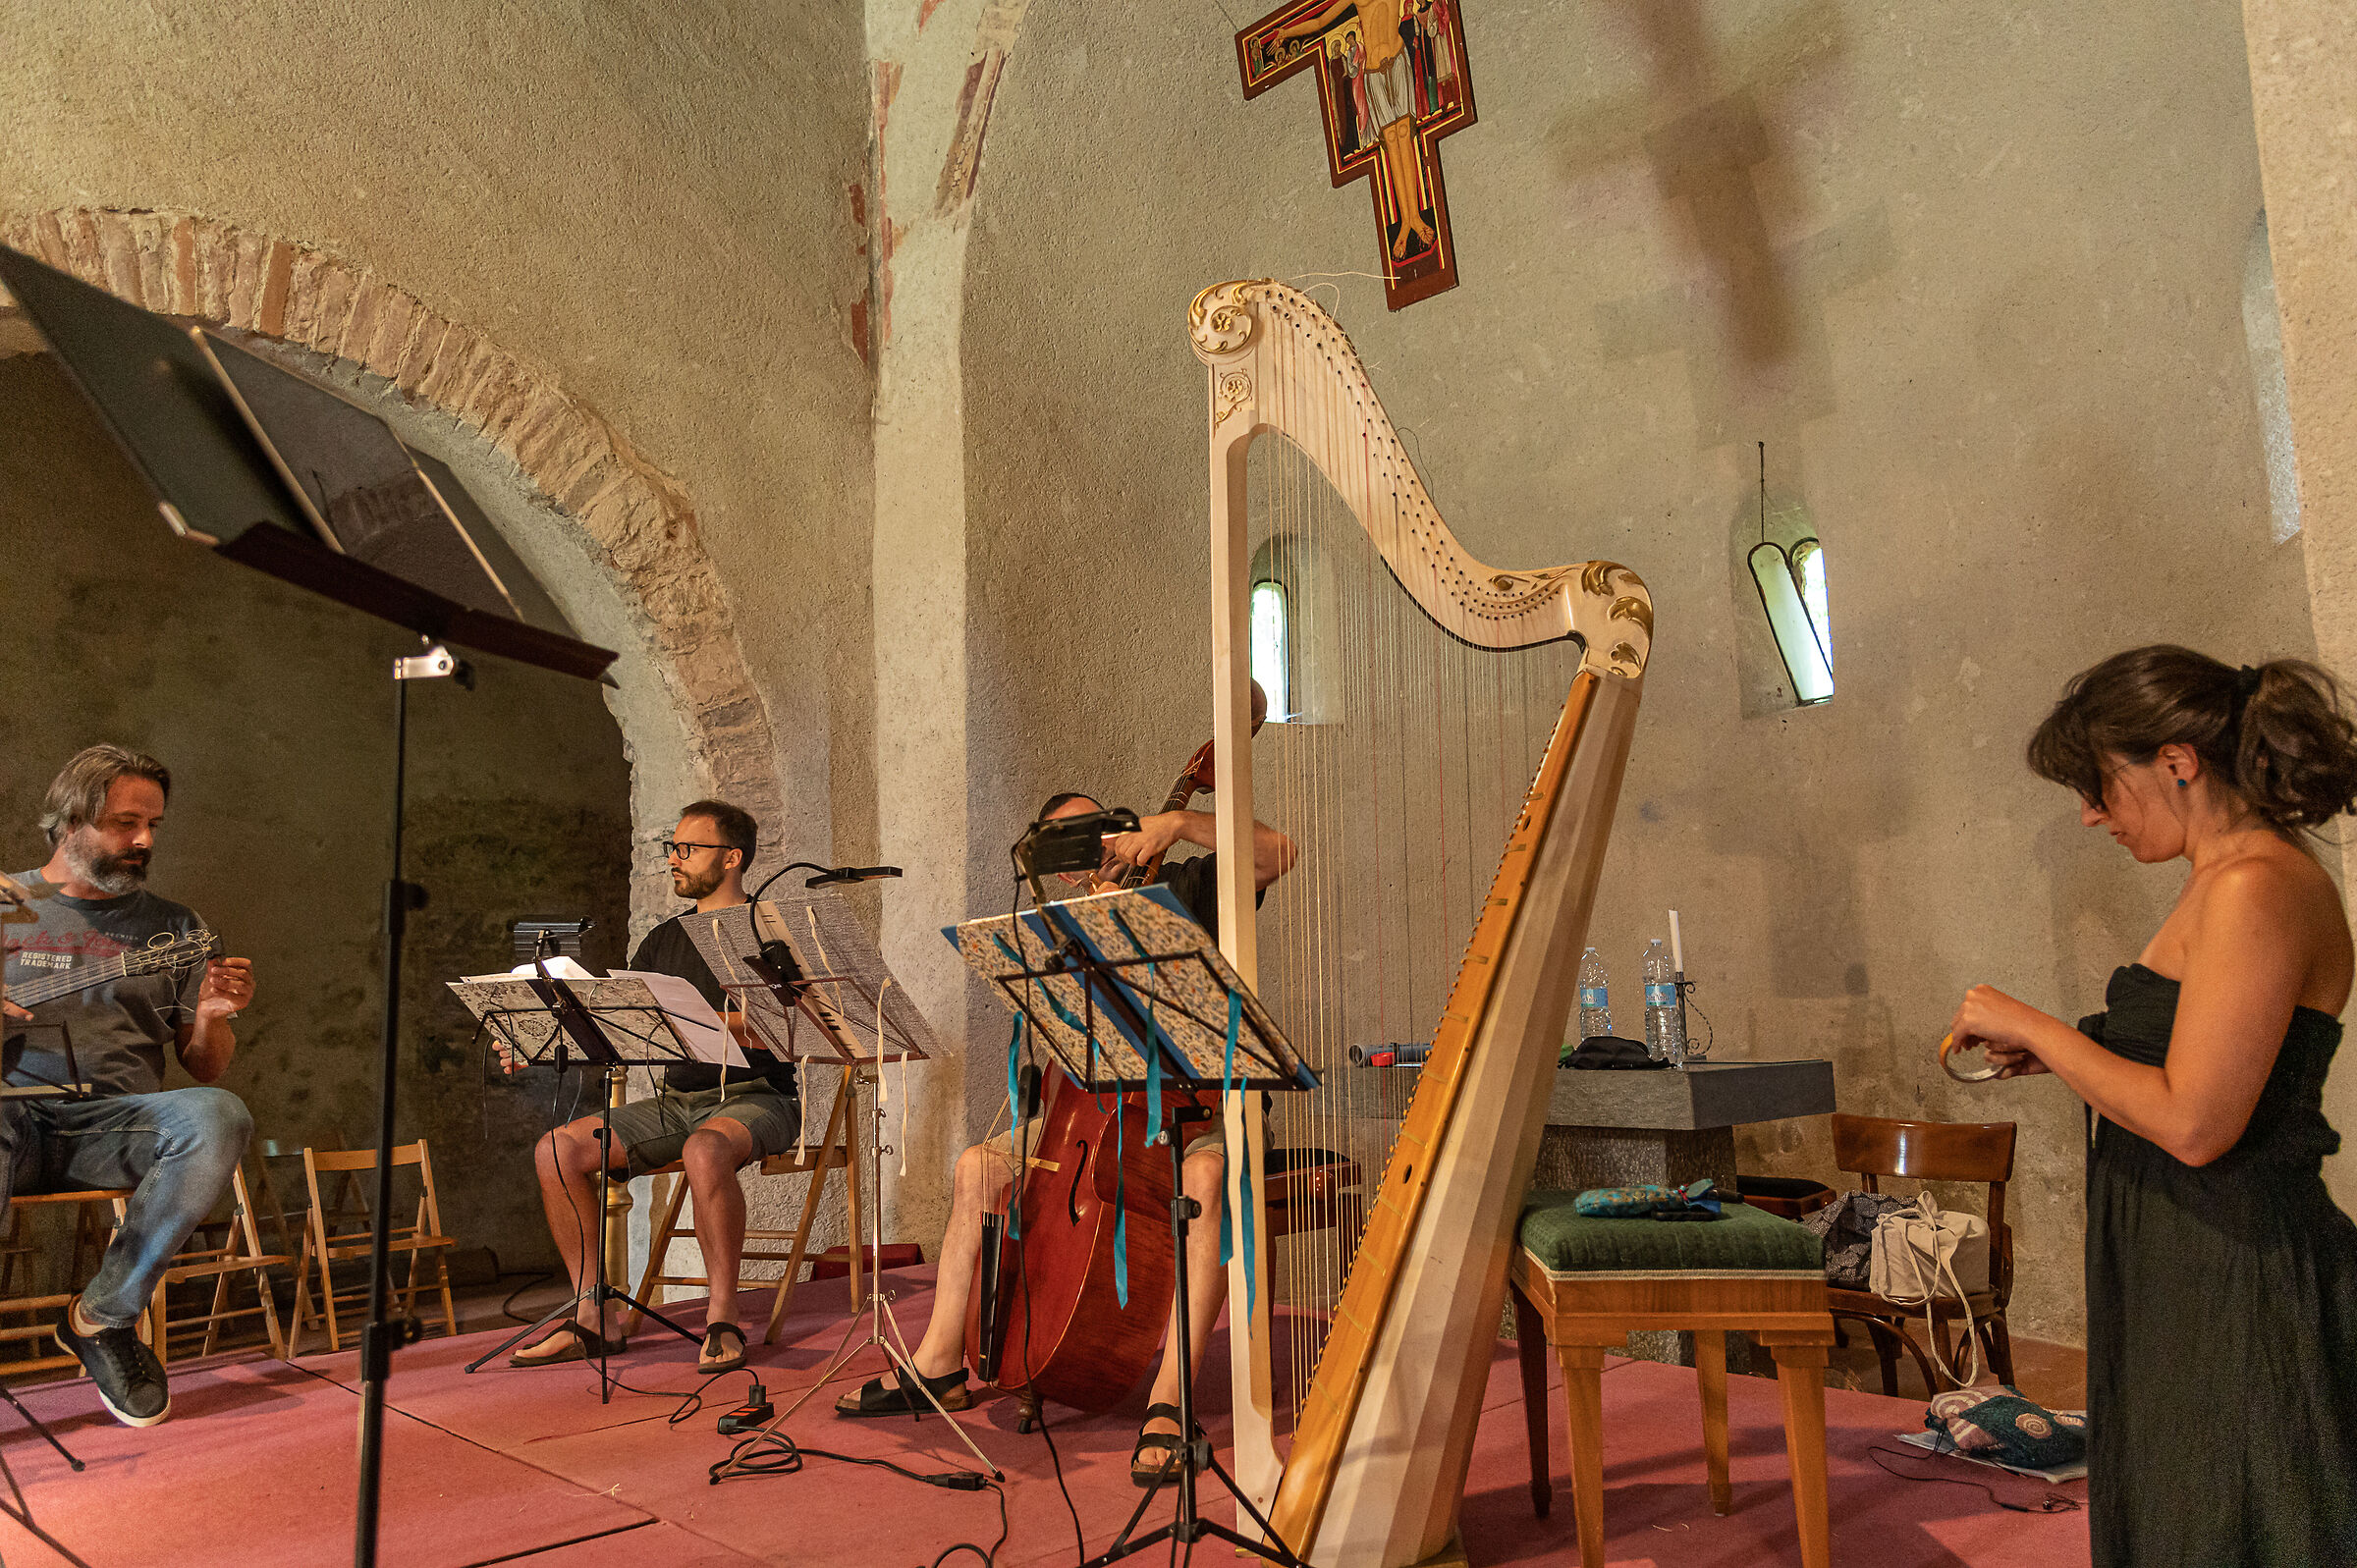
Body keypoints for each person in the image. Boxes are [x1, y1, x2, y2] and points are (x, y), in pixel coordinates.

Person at [1945, 647, 2357, 1567]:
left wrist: (2046, 1030)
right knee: (2177, 1514)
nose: (2092, 815)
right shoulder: (2217, 877)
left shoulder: (2259, 884)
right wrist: (2066, 1051)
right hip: (2180, 1252)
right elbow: (2197, 1043)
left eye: (2099, 786)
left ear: (2176, 761)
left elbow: (2197, 1124)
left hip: (2237, 1261)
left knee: (2235, 1521)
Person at [835, 790, 1296, 1487]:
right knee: (979, 1165)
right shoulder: (1059, 927)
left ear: (1124, 827)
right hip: (1094, 1110)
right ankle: (938, 1365)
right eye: (1067, 843)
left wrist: (1179, 823)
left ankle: (1172, 1398)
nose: (1091, 850)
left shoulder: (1184, 884)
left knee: (1203, 1182)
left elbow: (1278, 854)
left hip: (1206, 1107)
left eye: (1097, 830)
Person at [0, 745, 256, 1428]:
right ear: (68, 821)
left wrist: (209, 1016)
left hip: (112, 1127)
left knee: (218, 1115)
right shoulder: (5, 902)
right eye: (123, 823)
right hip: (9, 1123)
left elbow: (204, 1067)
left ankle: (101, 1318)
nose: (143, 840)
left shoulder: (175, 927)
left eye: (153, 825)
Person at [508, 800, 802, 1376]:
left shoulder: (769, 930)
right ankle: (592, 1315)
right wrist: (540, 1042)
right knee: (556, 1150)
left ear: (732, 858)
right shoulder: (664, 939)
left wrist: (704, 1020)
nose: (675, 859)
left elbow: (798, 1030)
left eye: (688, 849)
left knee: (705, 1148)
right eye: (672, 848)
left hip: (758, 1097)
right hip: (677, 1103)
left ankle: (724, 1316)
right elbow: (624, 1026)